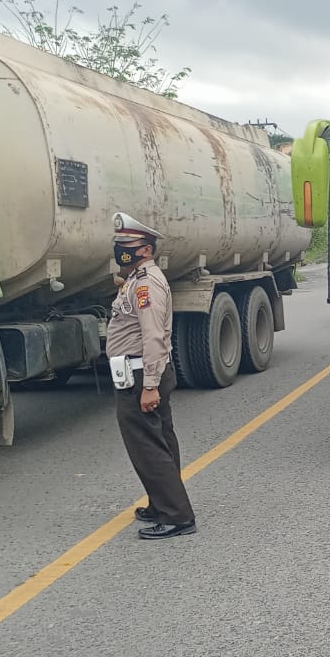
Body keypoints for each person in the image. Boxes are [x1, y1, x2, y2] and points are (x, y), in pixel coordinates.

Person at [108, 212, 197, 540]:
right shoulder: (136, 279)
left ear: (146, 249)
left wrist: (149, 386)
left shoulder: (146, 284)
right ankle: (162, 503)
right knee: (160, 441)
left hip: (140, 375)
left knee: (147, 447)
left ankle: (177, 516)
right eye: (119, 244)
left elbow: (153, 336)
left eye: (127, 245)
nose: (121, 250)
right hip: (140, 372)